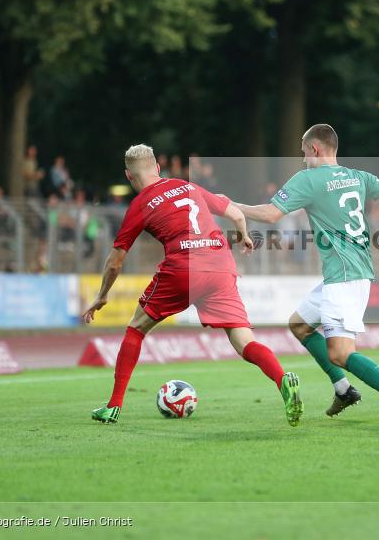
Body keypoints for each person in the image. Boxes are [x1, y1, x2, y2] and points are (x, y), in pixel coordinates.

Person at [233, 124, 379, 424]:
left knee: (340, 354)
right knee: (300, 325)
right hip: (350, 272)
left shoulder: (309, 179)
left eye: (304, 152)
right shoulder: (357, 177)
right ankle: (343, 389)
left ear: (315, 149)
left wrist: (228, 206)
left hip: (345, 278)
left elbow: (270, 214)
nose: (303, 159)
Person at [82, 144, 303, 426]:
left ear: (129, 176)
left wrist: (102, 296)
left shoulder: (139, 204)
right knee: (244, 341)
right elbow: (236, 214)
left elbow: (115, 262)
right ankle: (283, 380)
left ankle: (113, 406)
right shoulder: (188, 187)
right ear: (158, 169)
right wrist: (244, 236)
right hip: (221, 265)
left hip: (184, 268)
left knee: (136, 329)